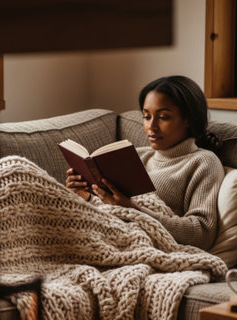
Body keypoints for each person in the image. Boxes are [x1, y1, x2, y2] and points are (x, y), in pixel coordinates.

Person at [65, 75, 225, 251]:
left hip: (141, 244)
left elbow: (202, 233)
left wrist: (136, 210)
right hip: (103, 233)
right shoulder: (137, 156)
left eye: (163, 117)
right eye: (146, 116)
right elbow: (107, 209)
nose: (152, 126)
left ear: (188, 119)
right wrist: (83, 196)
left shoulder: (204, 162)